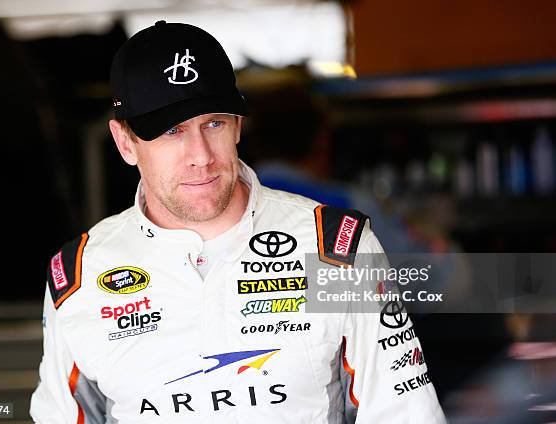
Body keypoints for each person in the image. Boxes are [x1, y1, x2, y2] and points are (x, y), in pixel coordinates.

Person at [30, 20, 446, 423]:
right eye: (171, 131)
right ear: (125, 143)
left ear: (238, 126)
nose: (201, 154)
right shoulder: (79, 276)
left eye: (214, 123)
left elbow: (404, 413)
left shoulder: (335, 247)